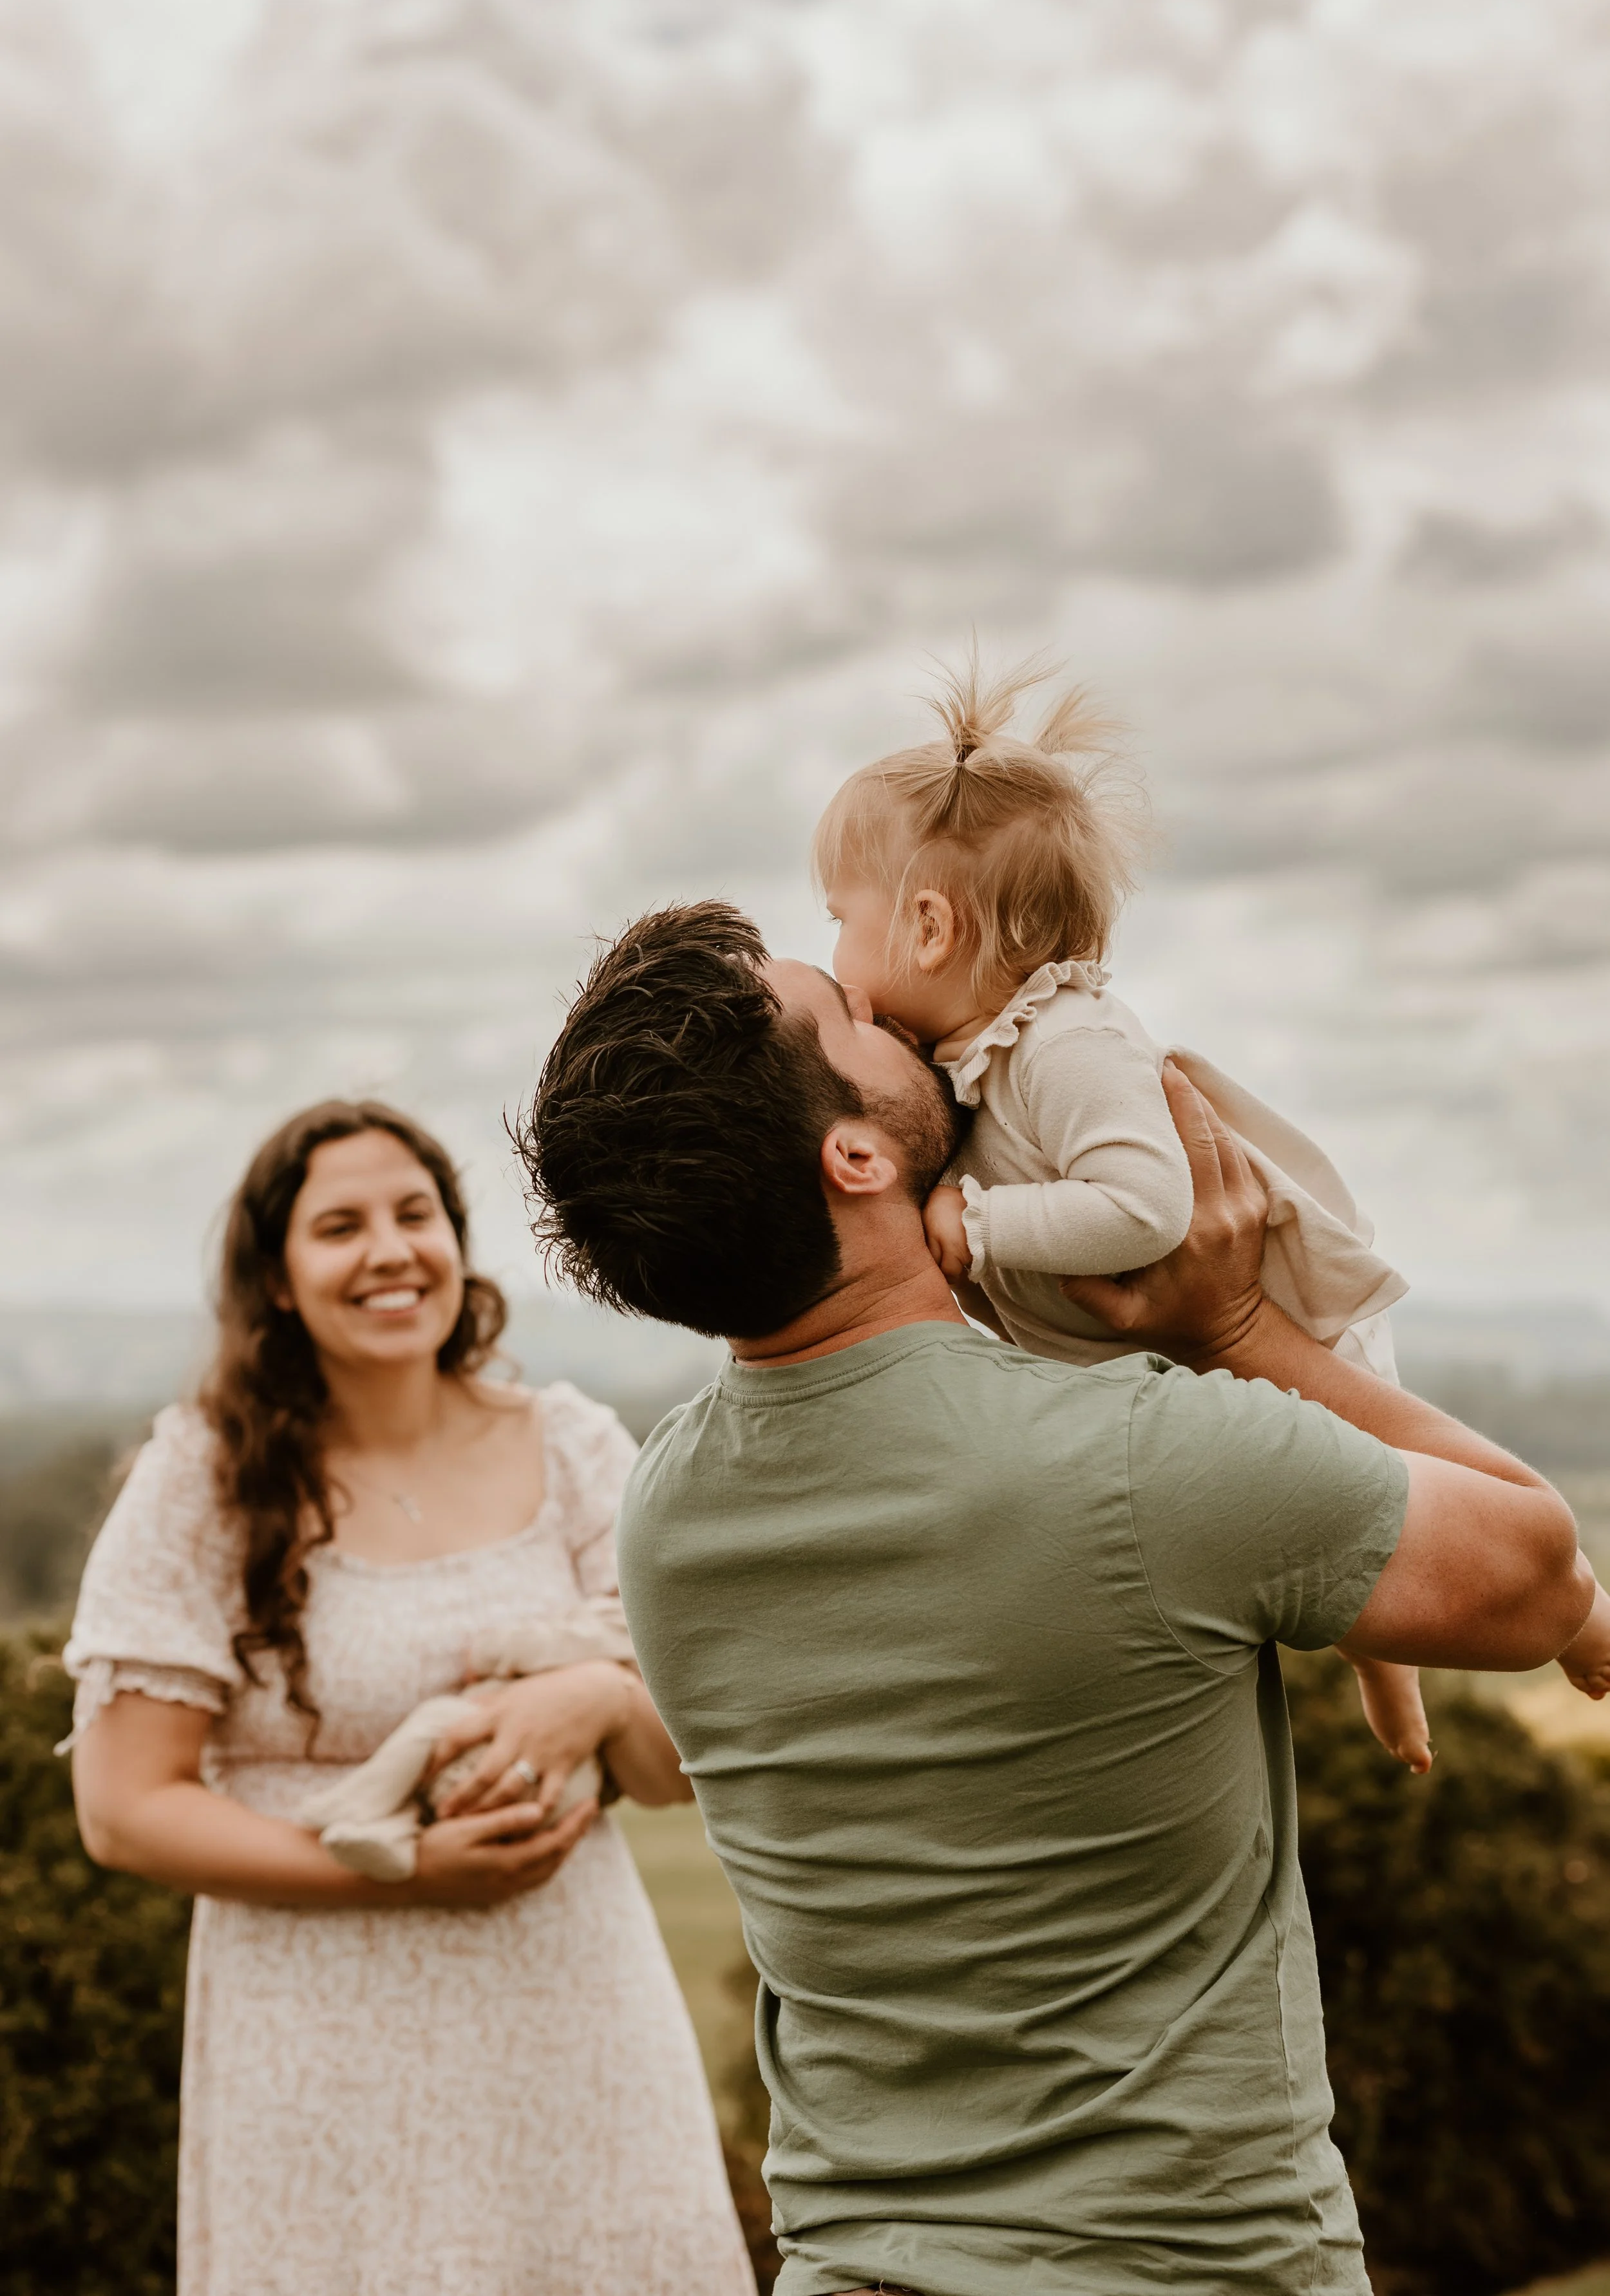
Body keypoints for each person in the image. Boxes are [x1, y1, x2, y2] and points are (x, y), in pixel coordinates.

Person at [516, 901, 1609, 2296]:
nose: (890, 1009)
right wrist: (1234, 1330)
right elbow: (1535, 1573)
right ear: (851, 1157)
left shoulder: (665, 1512)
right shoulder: (1136, 1459)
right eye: (849, 1020)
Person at [65, 1098, 755, 2296]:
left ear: (457, 1242)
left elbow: (683, 1770)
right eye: (340, 1225)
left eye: (415, 1213)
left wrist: (596, 1697)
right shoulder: (205, 1475)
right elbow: (125, 1808)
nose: (390, 1250)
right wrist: (404, 1868)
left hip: (572, 2008)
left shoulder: (578, 1447)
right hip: (318, 2036)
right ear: (278, 1279)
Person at [813, 654, 1450, 1768]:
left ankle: (1562, 1620)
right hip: (1178, 1374)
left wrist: (987, 1226)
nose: (836, 959)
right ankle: (1387, 1658)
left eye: (838, 920)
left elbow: (1147, 1209)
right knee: (1330, 1523)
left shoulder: (1068, 1042)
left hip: (1290, 1337)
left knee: (1396, 1503)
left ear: (926, 928)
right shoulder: (975, 1064)